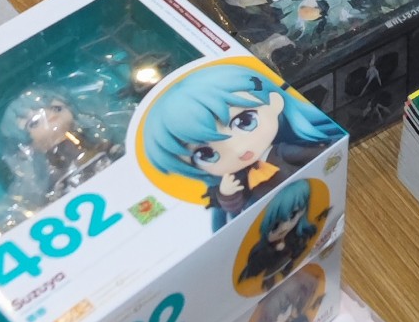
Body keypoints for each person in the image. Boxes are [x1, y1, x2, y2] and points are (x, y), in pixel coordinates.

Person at [139, 60, 342, 226]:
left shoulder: (281, 151)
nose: (235, 148)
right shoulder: (236, 178)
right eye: (206, 154)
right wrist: (227, 194)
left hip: (307, 198)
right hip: (268, 219)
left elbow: (315, 155)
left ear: (275, 103)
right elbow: (234, 208)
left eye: (245, 122)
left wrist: (333, 153)